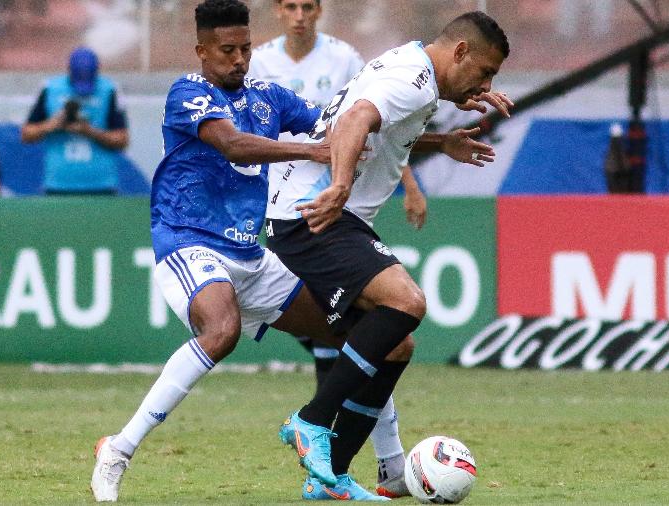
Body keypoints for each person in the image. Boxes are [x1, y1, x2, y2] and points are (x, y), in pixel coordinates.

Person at [89, 0, 392, 502]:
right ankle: (118, 449)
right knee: (222, 330)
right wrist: (314, 151)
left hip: (249, 253)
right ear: (202, 51)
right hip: (187, 240)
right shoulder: (187, 93)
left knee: (365, 336)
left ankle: (382, 468)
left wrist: (438, 138)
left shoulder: (268, 96)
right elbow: (233, 145)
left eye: (246, 49)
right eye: (227, 50)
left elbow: (342, 124)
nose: (239, 59)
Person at [266, 10, 512, 491]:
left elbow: (386, 131)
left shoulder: (414, 68)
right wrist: (339, 184)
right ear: (460, 52)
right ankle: (311, 421)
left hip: (319, 214)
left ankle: (329, 476)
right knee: (407, 302)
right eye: (484, 72)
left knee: (397, 345)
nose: (484, 85)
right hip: (314, 214)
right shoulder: (414, 81)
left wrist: (442, 143)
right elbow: (357, 118)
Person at [248, 1, 422, 497]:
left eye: (308, 5)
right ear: (278, 12)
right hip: (293, 212)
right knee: (367, 335)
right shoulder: (258, 62)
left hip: (330, 207)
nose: (300, 14)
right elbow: (245, 137)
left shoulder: (345, 59)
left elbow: (381, 127)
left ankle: (369, 461)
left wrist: (409, 182)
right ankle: (330, 437)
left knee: (374, 338)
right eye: (290, 5)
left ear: (320, 10)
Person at [21, 47, 129, 195]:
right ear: (69, 70)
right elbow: (26, 134)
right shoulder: (50, 89)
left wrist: (89, 131)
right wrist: (52, 125)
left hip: (101, 185)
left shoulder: (109, 90)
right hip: (58, 185)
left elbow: (122, 140)